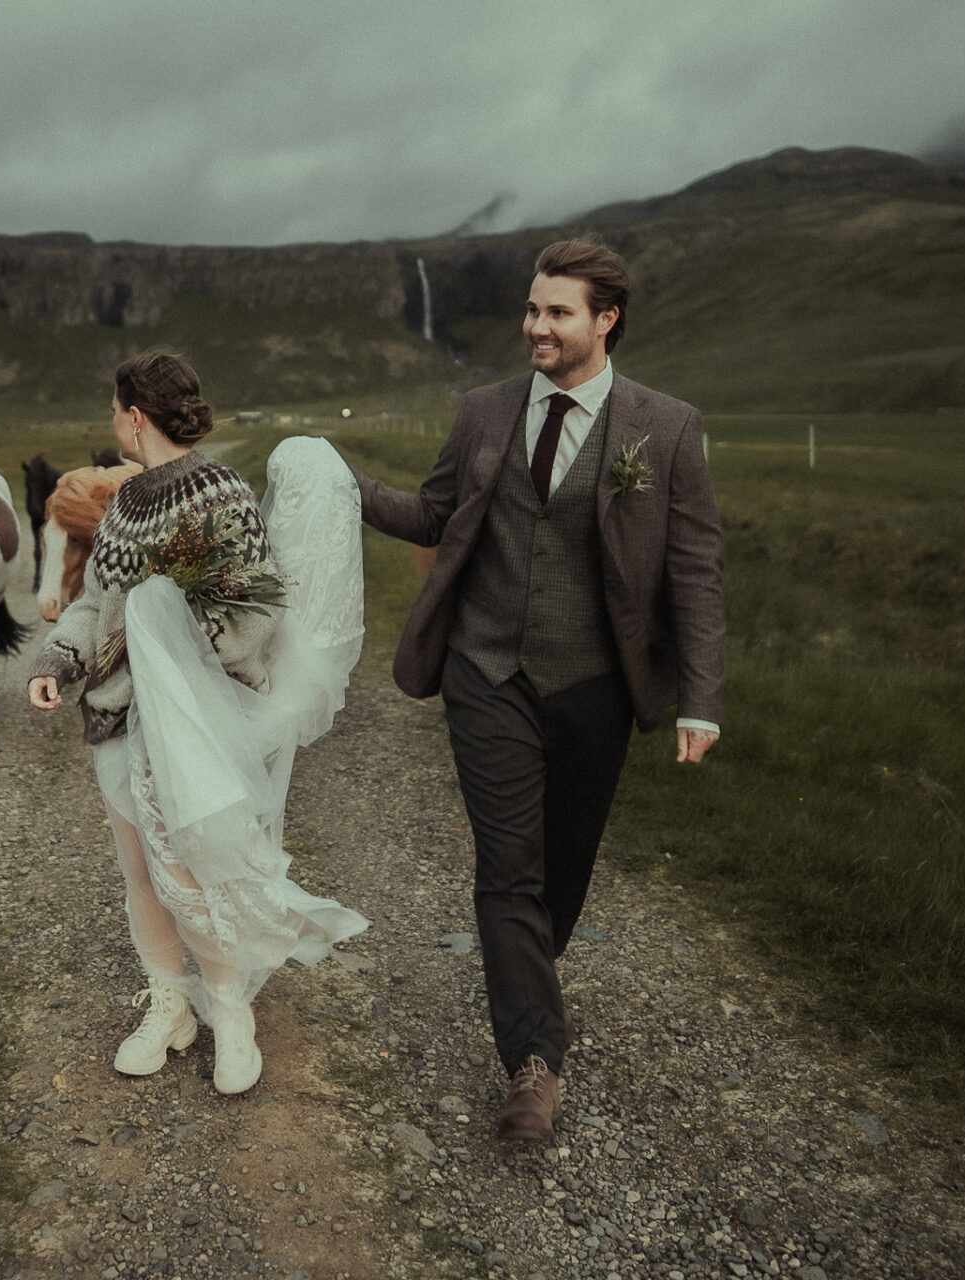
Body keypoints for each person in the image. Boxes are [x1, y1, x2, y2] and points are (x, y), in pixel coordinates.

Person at [349, 240, 726, 1142]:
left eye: (557, 312)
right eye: (531, 310)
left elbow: (694, 568)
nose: (537, 328)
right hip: (486, 672)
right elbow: (434, 516)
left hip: (596, 682)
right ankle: (533, 1067)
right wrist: (343, 483)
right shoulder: (483, 412)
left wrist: (700, 695)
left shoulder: (664, 427)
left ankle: (528, 978)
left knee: (564, 867)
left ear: (606, 320)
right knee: (507, 867)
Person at [28, 350, 368, 1095]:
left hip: (193, 722)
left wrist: (176, 645)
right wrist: (57, 662)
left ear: (136, 416)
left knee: (193, 870)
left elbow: (256, 608)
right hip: (117, 718)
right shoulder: (121, 506)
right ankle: (169, 1006)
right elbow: (96, 605)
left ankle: (229, 1013)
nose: (112, 422)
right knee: (140, 873)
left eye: (116, 410)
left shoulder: (221, 495)